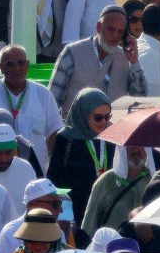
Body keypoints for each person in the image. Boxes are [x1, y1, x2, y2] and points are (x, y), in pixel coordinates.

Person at [50, 6, 146, 113]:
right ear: (99, 27)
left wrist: (134, 62)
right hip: (76, 128)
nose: (115, 36)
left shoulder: (125, 57)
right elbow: (53, 101)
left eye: (120, 32)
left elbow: (140, 96)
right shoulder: (72, 52)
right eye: (111, 29)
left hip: (112, 126)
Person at [44, 89, 114, 221]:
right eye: (98, 117)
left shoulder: (110, 140)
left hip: (103, 211)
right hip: (73, 212)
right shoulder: (66, 139)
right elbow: (53, 180)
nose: (103, 122)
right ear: (83, 114)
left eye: (107, 117)